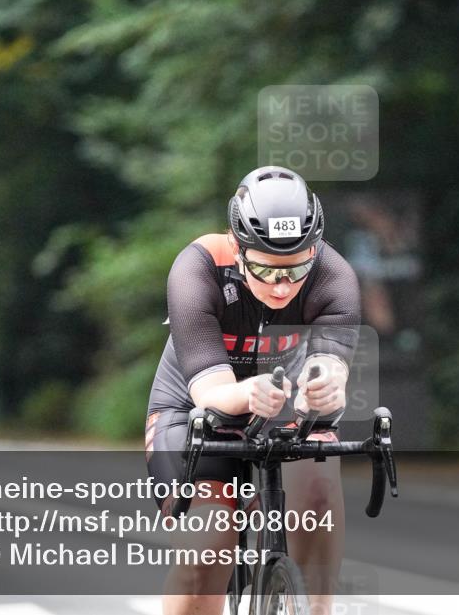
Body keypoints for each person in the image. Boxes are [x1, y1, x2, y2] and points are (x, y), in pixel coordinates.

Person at [145, 166, 361, 615]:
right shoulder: (198, 267)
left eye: (296, 268)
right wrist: (247, 394)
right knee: (209, 545)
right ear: (237, 247)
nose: (282, 285)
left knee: (318, 491)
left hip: (284, 409)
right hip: (195, 410)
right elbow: (212, 391)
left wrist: (323, 389)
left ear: (315, 248)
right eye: (264, 268)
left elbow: (330, 367)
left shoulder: (333, 273)